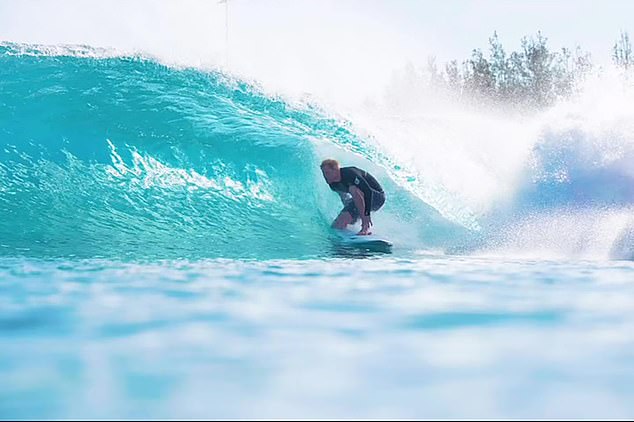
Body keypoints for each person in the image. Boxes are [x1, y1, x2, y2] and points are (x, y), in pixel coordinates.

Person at [320, 159, 385, 235]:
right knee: (336, 226)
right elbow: (345, 199)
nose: (325, 176)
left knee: (353, 189)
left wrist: (366, 214)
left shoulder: (350, 173)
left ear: (335, 169)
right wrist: (350, 215)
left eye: (327, 173)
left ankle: (365, 227)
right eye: (323, 173)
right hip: (360, 199)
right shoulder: (333, 184)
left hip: (376, 197)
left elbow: (368, 191)